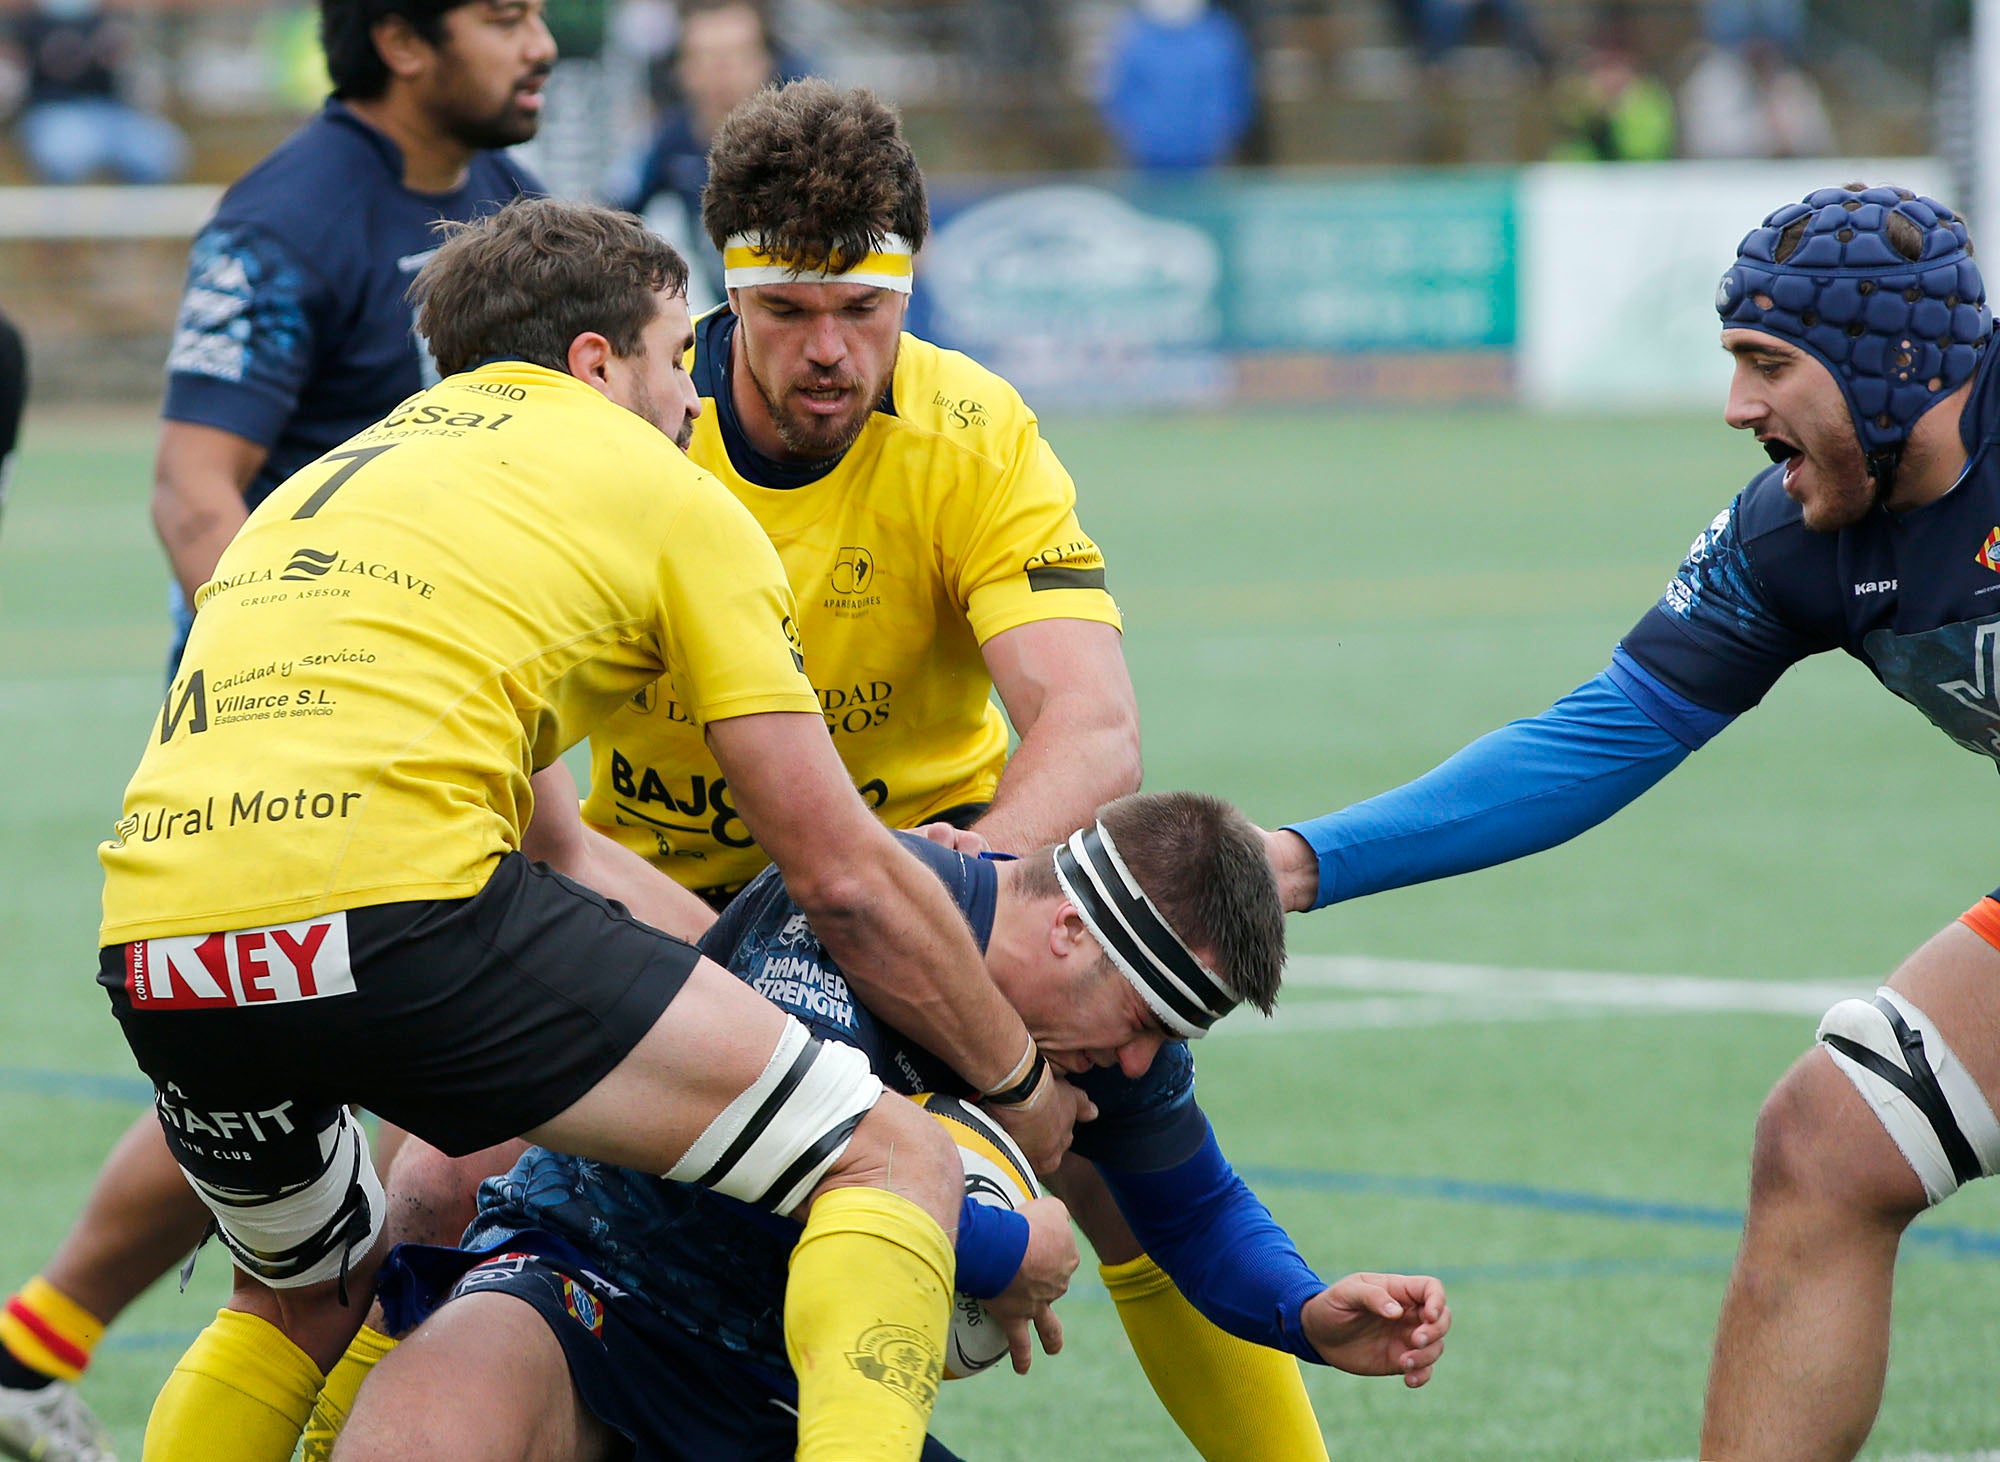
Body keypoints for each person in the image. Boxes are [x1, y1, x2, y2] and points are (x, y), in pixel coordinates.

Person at [94, 196, 1085, 1462]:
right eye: (678, 356)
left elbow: (559, 849)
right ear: (594, 361)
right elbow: (838, 876)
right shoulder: (665, 491)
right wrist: (1013, 1080)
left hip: (165, 945)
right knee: (892, 1158)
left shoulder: (335, 480)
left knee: (297, 1295)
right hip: (402, 911)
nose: (691, 399)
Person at [1262, 183, 1996, 1460]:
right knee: (1826, 1142)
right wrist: (1302, 860)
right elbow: (1597, 738)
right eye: (1733, 364)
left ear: (1895, 367)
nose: (1736, 408)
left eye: (1769, 365)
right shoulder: (1794, 538)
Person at [0, 0, 549, 1454]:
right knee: (366, 1073)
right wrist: (313, 683)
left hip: (459, 726)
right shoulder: (288, 216)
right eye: (507, 15)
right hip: (312, 747)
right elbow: (195, 489)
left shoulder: (501, 204)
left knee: (274, 1080)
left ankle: (29, 1347)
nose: (544, 40)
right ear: (404, 42)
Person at [339, 792, 1453, 1461]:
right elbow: (813, 1153)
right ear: (1070, 929)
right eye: (1144, 1020)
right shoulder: (854, 908)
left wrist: (1306, 1311)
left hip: (789, 1396)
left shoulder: (1102, 1049)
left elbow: (1197, 1207)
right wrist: (1011, 1245)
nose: (1137, 1062)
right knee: (422, 1433)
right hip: (602, 1291)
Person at [588, 77, 1141, 904]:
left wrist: (968, 874)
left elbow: (1094, 727)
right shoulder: (624, 428)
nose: (827, 349)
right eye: (784, 309)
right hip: (666, 881)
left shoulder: (972, 432)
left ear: (908, 290)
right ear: (732, 294)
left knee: (1135, 1017)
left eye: (860, 308)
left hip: (931, 853)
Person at [610, 0, 792, 307]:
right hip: (719, 305)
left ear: (765, 62)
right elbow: (614, 211)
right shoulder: (670, 142)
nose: (722, 74)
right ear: (683, 69)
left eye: (737, 56)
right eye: (706, 58)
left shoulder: (798, 142)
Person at [4, 0, 188, 185]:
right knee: (65, 153)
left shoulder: (109, 22)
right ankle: (65, 211)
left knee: (156, 152)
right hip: (54, 110)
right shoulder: (28, 25)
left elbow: (133, 74)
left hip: (113, 112)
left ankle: (140, 212)